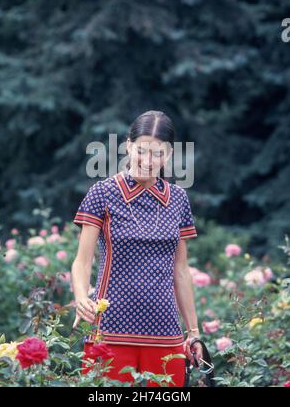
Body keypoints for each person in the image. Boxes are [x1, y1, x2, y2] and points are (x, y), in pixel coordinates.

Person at [71, 110, 203, 387]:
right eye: (142, 151)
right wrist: (82, 297)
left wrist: (193, 332)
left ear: (168, 155)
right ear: (128, 146)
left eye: (158, 153)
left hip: (165, 328)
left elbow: (181, 271)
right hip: (109, 327)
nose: (148, 161)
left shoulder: (178, 199)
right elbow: (82, 262)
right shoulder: (102, 193)